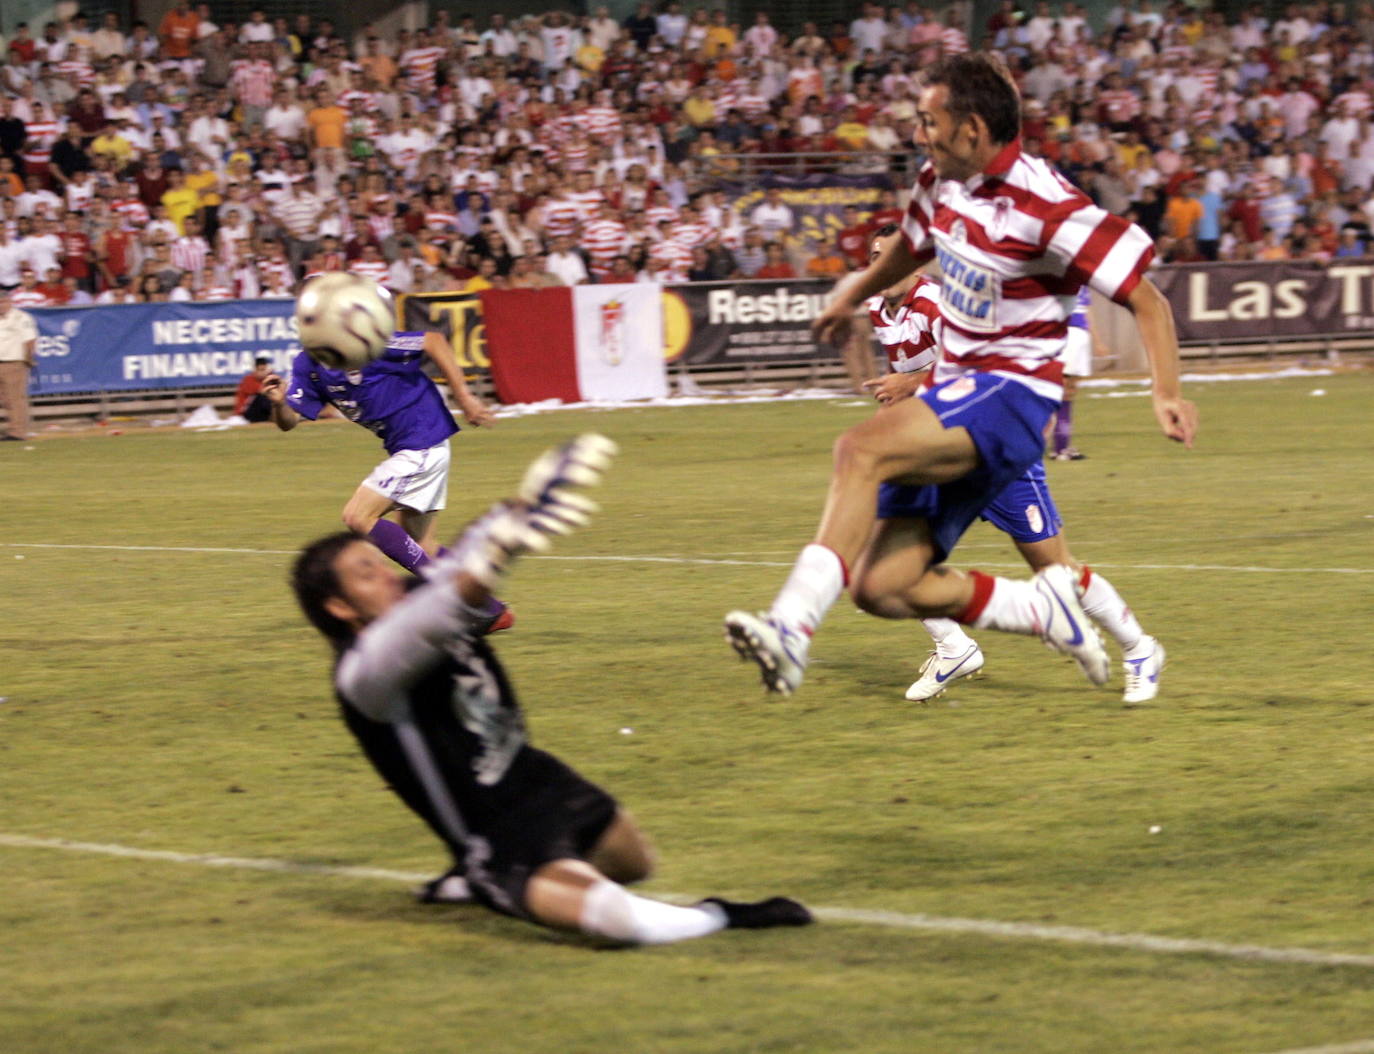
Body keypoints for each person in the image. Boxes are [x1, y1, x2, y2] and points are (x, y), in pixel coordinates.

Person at [724, 53, 1197, 698]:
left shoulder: (1048, 202)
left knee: (859, 449)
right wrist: (849, 296)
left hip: (1014, 395)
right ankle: (1034, 610)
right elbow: (911, 247)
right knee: (883, 586)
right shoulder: (940, 182)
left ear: (972, 129)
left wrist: (1165, 391)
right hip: (957, 394)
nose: (920, 134)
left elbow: (1147, 298)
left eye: (929, 121)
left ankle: (790, 628)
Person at [291, 435, 812, 944]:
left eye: (381, 565)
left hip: (535, 775)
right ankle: (715, 916)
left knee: (634, 864)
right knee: (612, 918)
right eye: (366, 574)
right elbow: (438, 610)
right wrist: (502, 540)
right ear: (339, 607)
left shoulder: (410, 604)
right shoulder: (364, 674)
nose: (387, 577)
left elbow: (456, 584)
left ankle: (497, 880)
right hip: (491, 830)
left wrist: (516, 512)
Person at [858, 227, 1165, 705]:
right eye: (874, 258)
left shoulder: (942, 304)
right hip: (939, 454)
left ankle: (1140, 649)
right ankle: (954, 647)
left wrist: (911, 382)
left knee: (1056, 568)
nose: (882, 267)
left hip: (993, 450)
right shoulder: (879, 307)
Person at [262, 308, 508, 625]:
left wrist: (464, 396)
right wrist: (279, 403)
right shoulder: (307, 364)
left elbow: (433, 340)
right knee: (422, 545)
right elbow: (288, 423)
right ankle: (491, 610)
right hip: (416, 445)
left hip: (422, 440)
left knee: (358, 516)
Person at [1050, 286, 1093, 461]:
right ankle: (1061, 448)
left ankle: (1060, 446)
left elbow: (1087, 312)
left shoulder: (1083, 284)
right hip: (1070, 335)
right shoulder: (1065, 279)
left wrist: (1096, 340)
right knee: (1065, 393)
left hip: (1077, 335)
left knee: (1065, 392)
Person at [0, 288, 38, 441]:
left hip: (13, 362)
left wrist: (28, 359)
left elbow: (30, 340)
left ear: (10, 302)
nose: (1, 305)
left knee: (15, 398)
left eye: (3, 302)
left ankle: (17, 432)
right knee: (6, 400)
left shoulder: (21, 317)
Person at [234, 354, 275, 423]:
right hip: (245, 412)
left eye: (264, 370)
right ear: (255, 370)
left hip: (261, 412)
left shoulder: (269, 379)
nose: (262, 373)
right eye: (260, 370)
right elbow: (261, 392)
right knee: (262, 397)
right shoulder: (248, 380)